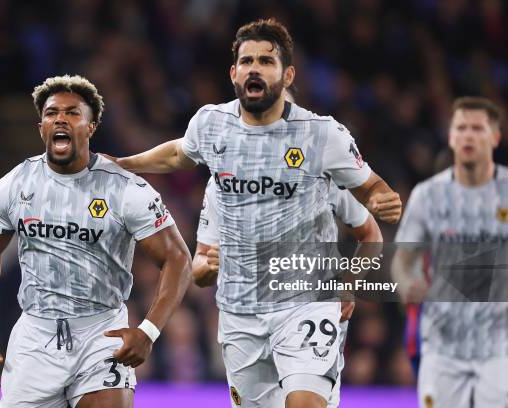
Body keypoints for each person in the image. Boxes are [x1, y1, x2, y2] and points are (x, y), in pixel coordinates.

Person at [115, 18, 401, 408]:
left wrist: (352, 274)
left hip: (306, 302)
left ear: (287, 75)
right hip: (239, 313)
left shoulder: (322, 138)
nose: (254, 67)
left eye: (266, 61)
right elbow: (178, 155)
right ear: (233, 73)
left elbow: (371, 193)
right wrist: (126, 164)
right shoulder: (215, 137)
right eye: (246, 61)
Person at [0, 75, 192, 408]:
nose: (60, 118)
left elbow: (178, 258)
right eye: (51, 113)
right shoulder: (14, 185)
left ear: (91, 127)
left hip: (101, 335)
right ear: (41, 126)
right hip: (35, 338)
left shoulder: (126, 189)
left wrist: (148, 330)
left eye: (73, 112)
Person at [193, 176, 382, 407]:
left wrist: (349, 287)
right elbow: (199, 266)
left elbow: (371, 235)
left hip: (309, 307)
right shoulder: (221, 180)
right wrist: (213, 265)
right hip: (243, 320)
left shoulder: (323, 168)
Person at [392, 96, 508, 407]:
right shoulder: (427, 195)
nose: (468, 135)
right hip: (442, 346)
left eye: (477, 128)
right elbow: (404, 259)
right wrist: (408, 282)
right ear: (451, 136)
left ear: (495, 136)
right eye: (461, 128)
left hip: (500, 344)